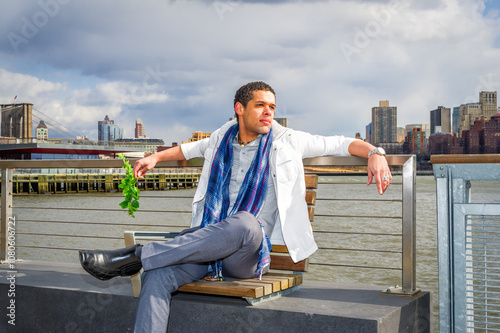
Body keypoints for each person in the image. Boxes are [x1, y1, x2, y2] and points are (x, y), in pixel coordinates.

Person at [79, 81, 392, 332]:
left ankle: (136, 256)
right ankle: (146, 261)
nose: (269, 112)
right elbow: (186, 150)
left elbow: (341, 143)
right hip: (208, 246)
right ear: (239, 109)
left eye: (272, 107)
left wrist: (375, 152)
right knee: (157, 276)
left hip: (247, 255)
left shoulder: (288, 140)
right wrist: (154, 157)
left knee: (244, 222)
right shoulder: (220, 138)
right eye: (261, 105)